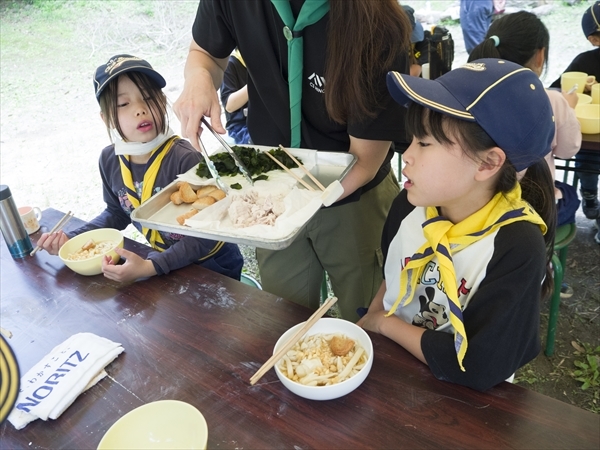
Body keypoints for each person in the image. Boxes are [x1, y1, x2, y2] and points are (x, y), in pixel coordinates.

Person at [174, 1, 412, 320]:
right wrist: (199, 77)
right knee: (283, 316)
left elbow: (364, 162)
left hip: (353, 194)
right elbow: (206, 53)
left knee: (367, 314)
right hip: (272, 186)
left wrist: (293, 203)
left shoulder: (376, 21)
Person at [358, 58, 557, 391]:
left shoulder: (517, 247)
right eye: (410, 140)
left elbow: (479, 365)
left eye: (424, 143)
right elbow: (392, 275)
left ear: (488, 162)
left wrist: (384, 324)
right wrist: (370, 321)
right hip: (394, 369)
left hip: (461, 400)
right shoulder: (410, 205)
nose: (406, 156)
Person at [37, 54, 244, 282]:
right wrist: (71, 239)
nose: (140, 109)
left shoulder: (185, 159)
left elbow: (209, 234)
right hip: (164, 262)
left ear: (163, 102)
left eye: (147, 97)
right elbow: (117, 212)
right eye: (123, 104)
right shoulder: (109, 159)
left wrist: (151, 266)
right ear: (107, 118)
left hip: (213, 264)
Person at [468, 11, 582, 228]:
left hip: (477, 207)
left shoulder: (467, 97)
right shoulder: (552, 100)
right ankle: (545, 260)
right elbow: (569, 150)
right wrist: (570, 108)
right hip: (533, 209)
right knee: (569, 195)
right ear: (540, 56)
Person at [550, 1, 600, 242]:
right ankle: (589, 193)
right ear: (594, 39)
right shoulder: (585, 62)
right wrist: (582, 89)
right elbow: (556, 90)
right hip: (592, 132)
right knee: (587, 158)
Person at [220, 49, 250, 144]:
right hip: (240, 126)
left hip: (262, 120)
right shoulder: (230, 64)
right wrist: (255, 84)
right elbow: (229, 105)